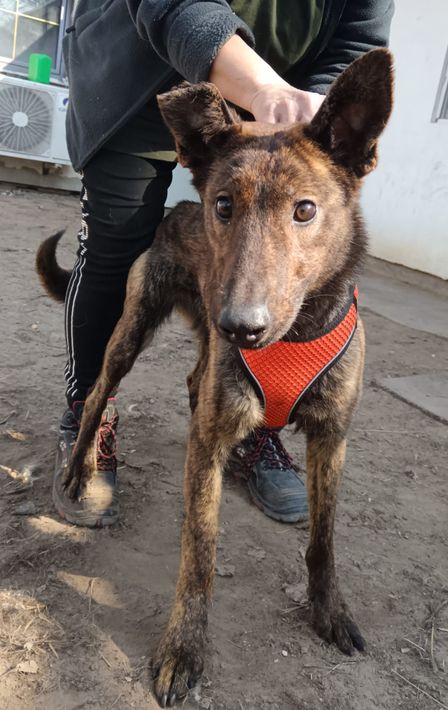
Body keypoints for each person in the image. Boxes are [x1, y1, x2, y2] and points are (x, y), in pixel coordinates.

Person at [55, 0, 394, 528]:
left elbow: (356, 39)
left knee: (271, 288)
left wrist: (318, 127)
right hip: (138, 82)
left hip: (278, 108)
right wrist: (260, 88)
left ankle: (255, 428)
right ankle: (86, 412)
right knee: (114, 249)